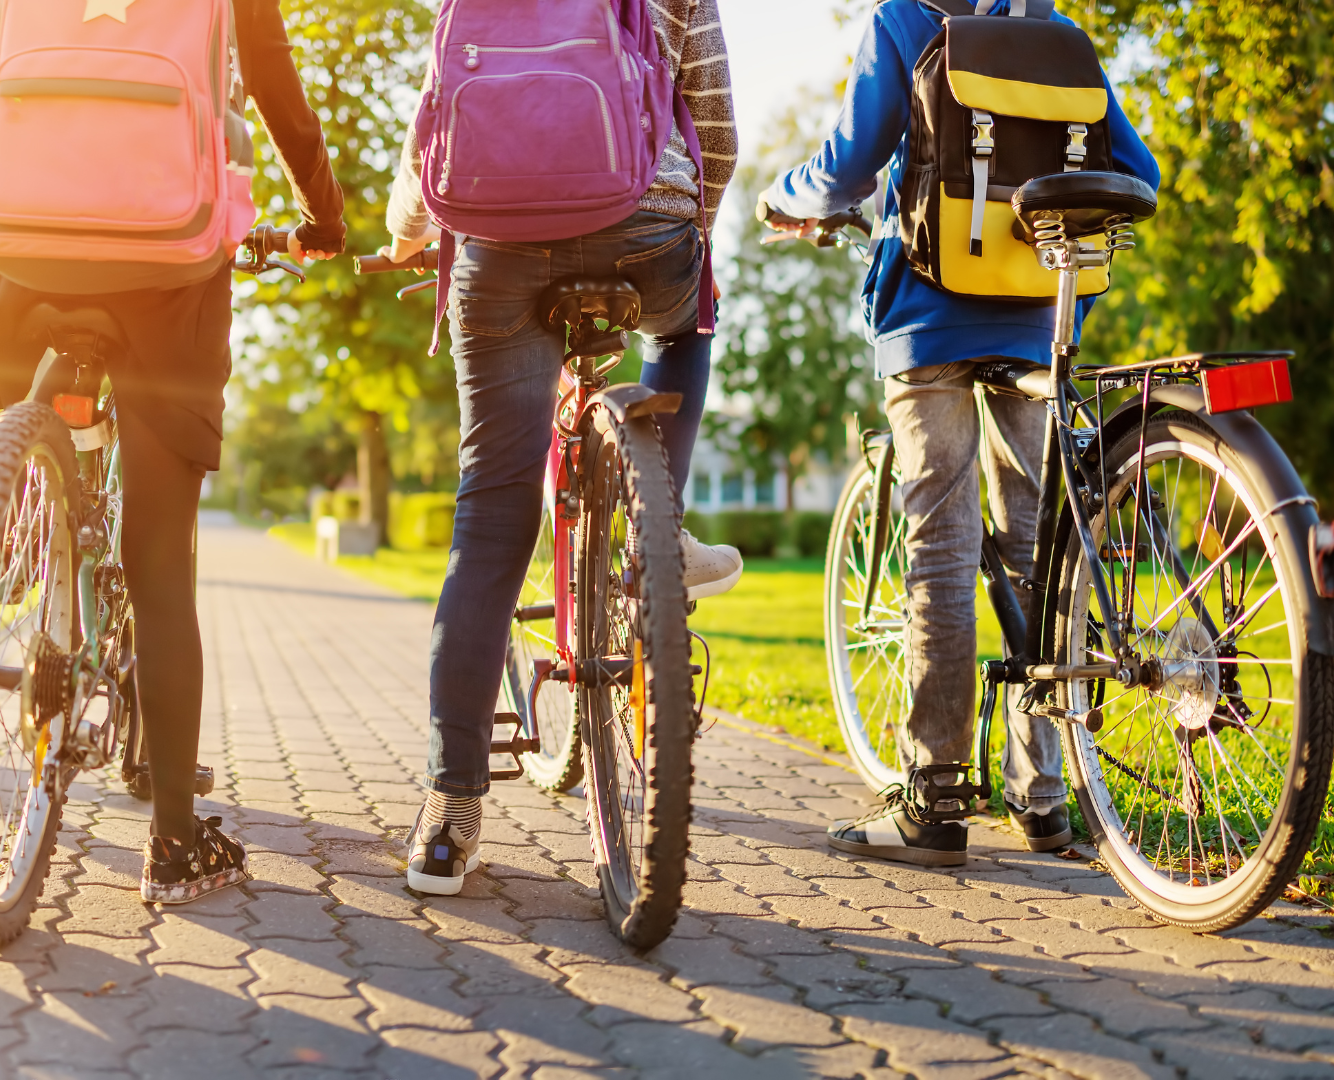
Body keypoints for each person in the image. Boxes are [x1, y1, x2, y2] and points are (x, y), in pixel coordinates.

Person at [0, 0, 345, 905]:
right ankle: (174, 845)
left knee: (19, 437)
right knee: (161, 560)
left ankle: (26, 526)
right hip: (168, 263)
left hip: (23, 248)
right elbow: (277, 89)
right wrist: (322, 215)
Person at [758, 0, 1160, 866]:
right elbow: (1136, 168)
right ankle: (1043, 797)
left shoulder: (905, 21)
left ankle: (933, 800)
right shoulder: (1054, 31)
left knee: (938, 544)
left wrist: (781, 197)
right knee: (1035, 549)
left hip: (928, 323)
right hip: (1036, 323)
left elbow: (844, 170)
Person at [383, 0, 739, 895]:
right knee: (689, 320)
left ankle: (449, 813)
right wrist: (698, 215)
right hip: (645, 223)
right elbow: (718, 123)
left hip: (500, 237)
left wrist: (409, 229)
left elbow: (441, 94)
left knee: (491, 520)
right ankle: (662, 539)